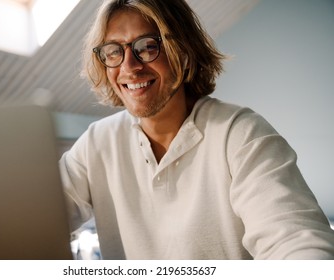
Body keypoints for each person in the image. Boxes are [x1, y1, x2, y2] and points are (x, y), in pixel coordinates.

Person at [59, 0, 334, 259]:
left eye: (147, 47)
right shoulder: (96, 143)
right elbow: (36, 218)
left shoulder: (240, 133)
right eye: (114, 51)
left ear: (183, 51)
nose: (129, 67)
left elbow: (295, 240)